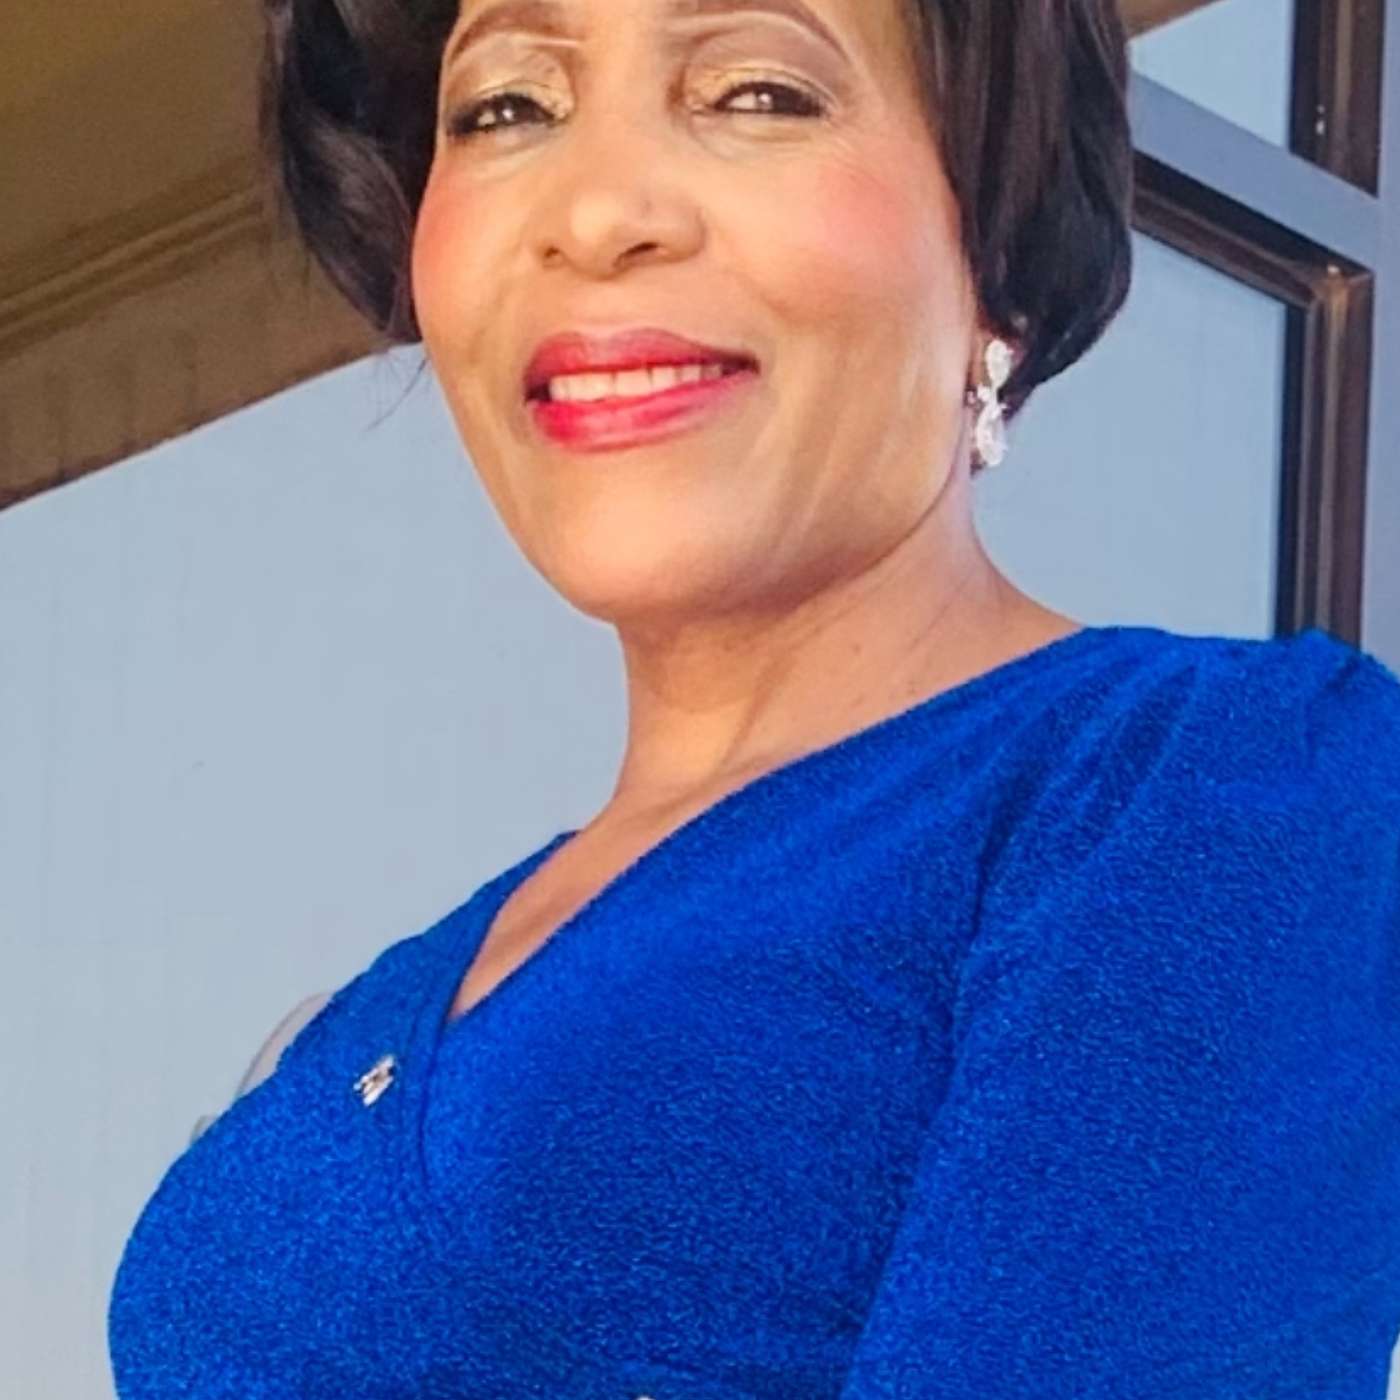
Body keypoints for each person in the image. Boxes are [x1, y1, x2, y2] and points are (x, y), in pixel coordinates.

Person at [107, 0, 1400, 1394]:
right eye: (507, 107)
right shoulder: (378, 1006)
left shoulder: (1204, 791)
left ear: (1000, 251)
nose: (595, 214)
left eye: (757, 92)